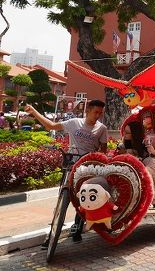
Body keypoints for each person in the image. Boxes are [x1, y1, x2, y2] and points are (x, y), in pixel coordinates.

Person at [25, 100, 107, 244]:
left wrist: (97, 162)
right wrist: (34, 112)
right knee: (63, 199)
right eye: (96, 112)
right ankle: (52, 235)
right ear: (88, 110)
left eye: (100, 113)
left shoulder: (102, 129)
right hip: (71, 164)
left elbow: (103, 151)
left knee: (84, 198)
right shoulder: (74, 122)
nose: (98, 116)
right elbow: (51, 126)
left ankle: (77, 227)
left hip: (88, 168)